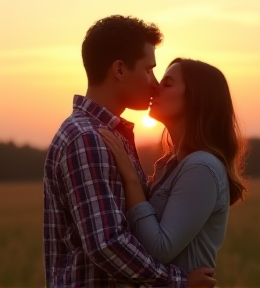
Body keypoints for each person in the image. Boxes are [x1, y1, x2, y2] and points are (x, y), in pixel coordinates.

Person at [43, 15, 216, 288]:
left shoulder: (108, 135)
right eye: (149, 70)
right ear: (120, 70)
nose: (154, 82)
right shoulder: (88, 138)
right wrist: (179, 281)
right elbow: (106, 243)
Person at [99, 58, 247, 278]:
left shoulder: (201, 167)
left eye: (167, 83)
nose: (155, 86)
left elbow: (160, 249)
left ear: (196, 98)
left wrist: (129, 176)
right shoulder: (170, 165)